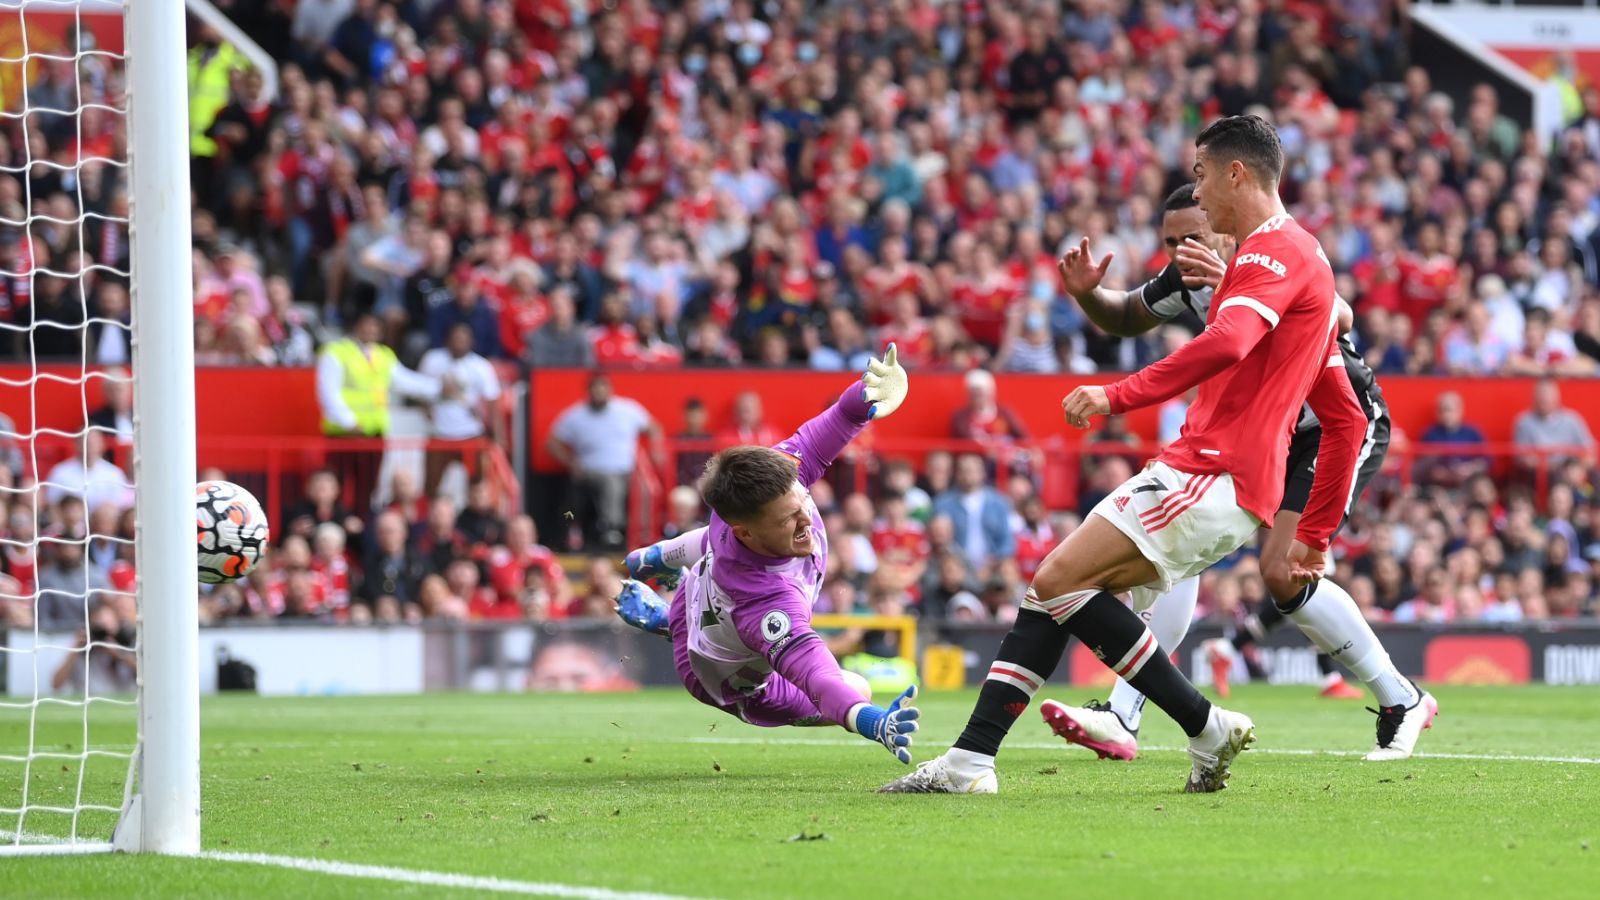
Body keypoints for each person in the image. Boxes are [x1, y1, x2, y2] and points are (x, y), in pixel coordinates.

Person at [881, 115, 1381, 796]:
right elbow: (1342, 408)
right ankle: (973, 760)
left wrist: (1117, 395)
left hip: (1213, 469)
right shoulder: (1298, 259)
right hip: (1227, 476)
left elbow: (1230, 343)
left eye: (1203, 173)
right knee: (1055, 590)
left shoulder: (1272, 252)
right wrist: (1314, 527)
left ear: (1237, 172)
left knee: (1059, 581)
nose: (1197, 191)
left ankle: (1203, 724)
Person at [1046, 181, 1426, 768]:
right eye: (1170, 242)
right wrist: (1087, 296)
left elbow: (1339, 314)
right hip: (1261, 434)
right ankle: (1124, 715)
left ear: (1226, 224)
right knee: (1176, 549)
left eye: (1192, 236)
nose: (1180, 252)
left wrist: (1229, 282)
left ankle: (1401, 699)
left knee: (1282, 571)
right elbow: (1124, 316)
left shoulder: (1269, 257)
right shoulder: (1187, 277)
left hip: (1330, 423)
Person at [613, 347, 921, 764]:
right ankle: (670, 623)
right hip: (733, 681)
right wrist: (869, 720)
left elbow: (835, 422)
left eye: (802, 505)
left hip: (706, 589)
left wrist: (866, 394)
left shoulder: (769, 481)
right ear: (748, 532)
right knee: (858, 686)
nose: (806, 522)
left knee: (709, 549)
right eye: (788, 520)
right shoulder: (767, 605)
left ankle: (654, 566)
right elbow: (819, 678)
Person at [316, 312, 448, 512]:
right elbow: (328, 392)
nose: (371, 330)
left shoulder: (383, 355)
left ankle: (361, 526)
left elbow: (405, 380)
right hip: (343, 434)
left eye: (376, 327)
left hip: (373, 433)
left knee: (368, 488)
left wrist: (438, 388)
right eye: (366, 325)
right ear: (356, 326)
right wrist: (349, 422)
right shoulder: (336, 352)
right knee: (338, 486)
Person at [547, 373, 664, 551]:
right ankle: (612, 528)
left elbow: (654, 428)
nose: (599, 393)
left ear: (610, 390)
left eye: (602, 389)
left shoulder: (628, 409)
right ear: (588, 392)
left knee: (647, 487)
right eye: (595, 390)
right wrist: (570, 462)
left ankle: (643, 536)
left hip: (628, 472)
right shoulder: (576, 415)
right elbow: (551, 442)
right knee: (609, 481)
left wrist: (656, 451)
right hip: (589, 471)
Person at [417, 322, 502, 497]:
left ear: (471, 342)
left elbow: (493, 403)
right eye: (455, 338)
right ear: (446, 340)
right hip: (439, 433)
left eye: (463, 339)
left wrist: (498, 436)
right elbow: (420, 389)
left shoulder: (481, 366)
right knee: (431, 486)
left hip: (471, 433)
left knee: (477, 485)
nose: (459, 343)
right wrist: (426, 409)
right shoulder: (432, 360)